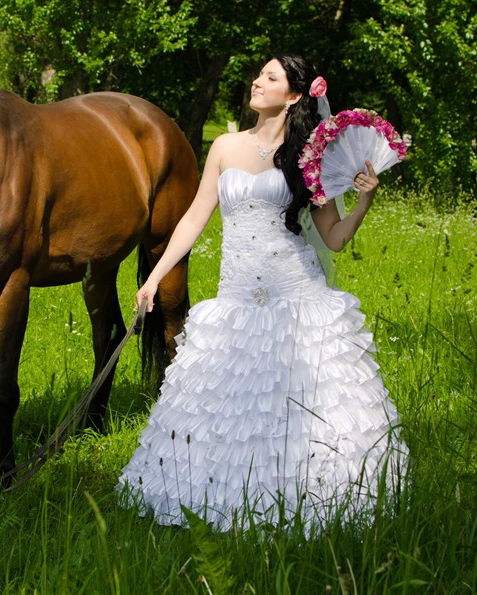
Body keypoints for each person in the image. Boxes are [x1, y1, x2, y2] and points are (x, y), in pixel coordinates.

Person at [116, 53, 408, 532]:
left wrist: (365, 201)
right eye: (258, 75)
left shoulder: (310, 157)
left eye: (270, 77)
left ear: (293, 96)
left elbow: (334, 238)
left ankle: (306, 497)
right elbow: (193, 219)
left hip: (297, 299)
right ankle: (222, 497)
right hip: (234, 301)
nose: (256, 81)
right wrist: (154, 277)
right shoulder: (225, 146)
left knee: (298, 408)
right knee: (221, 410)